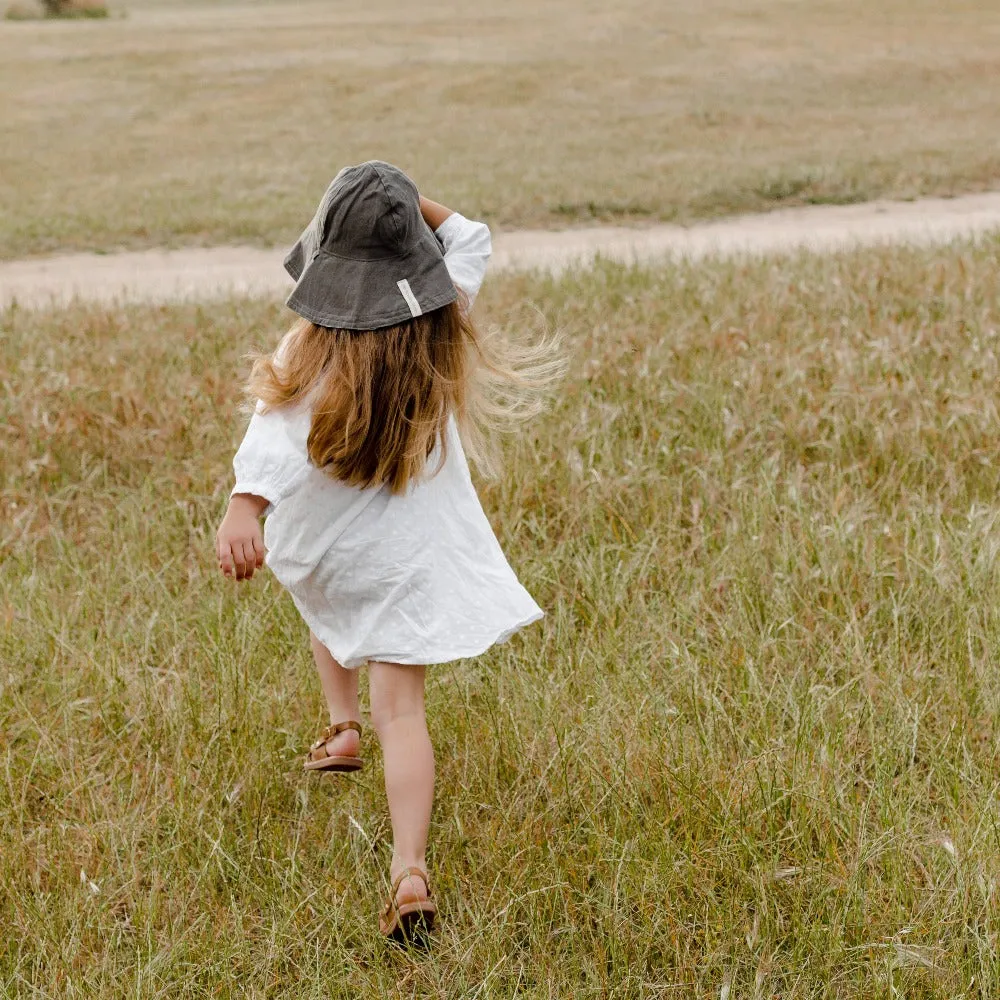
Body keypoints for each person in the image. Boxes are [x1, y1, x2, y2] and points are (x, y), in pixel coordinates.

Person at [214, 161, 559, 941]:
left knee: (323, 601)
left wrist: (245, 507)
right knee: (402, 713)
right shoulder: (442, 311)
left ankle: (341, 728)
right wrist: (400, 193)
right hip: (406, 557)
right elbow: (471, 235)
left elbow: (271, 434)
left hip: (329, 547)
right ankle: (409, 870)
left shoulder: (311, 342)